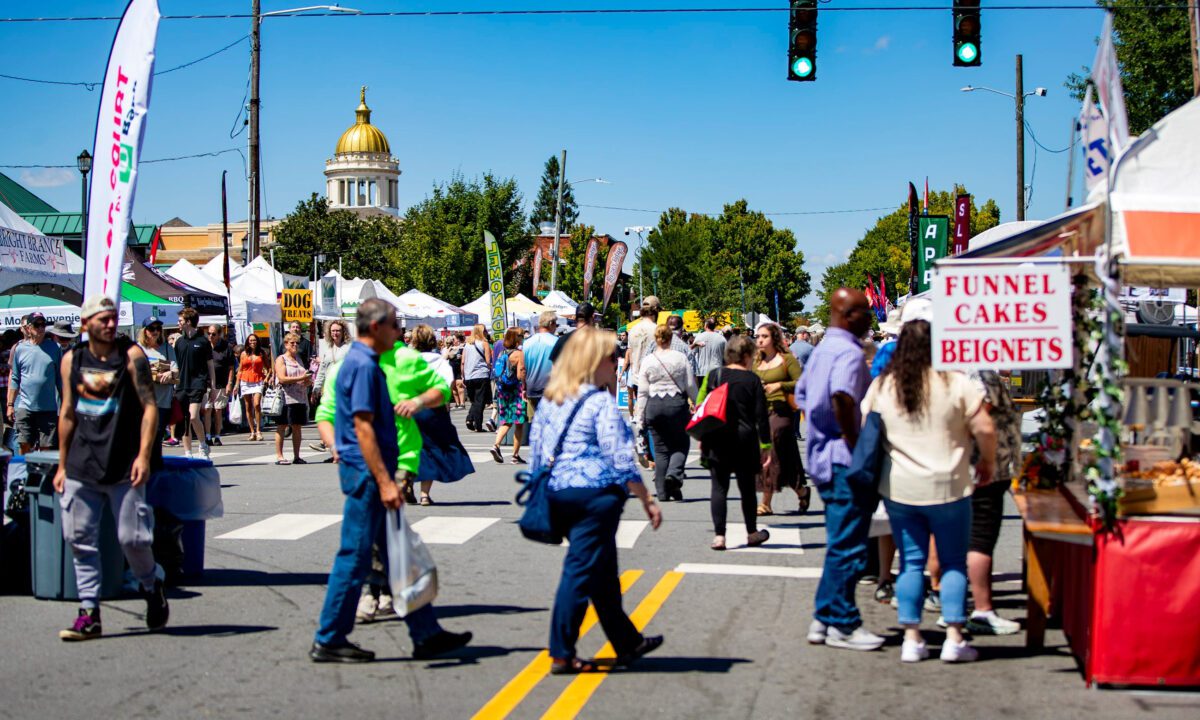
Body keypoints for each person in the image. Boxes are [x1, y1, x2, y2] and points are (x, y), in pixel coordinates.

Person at [311, 298, 471, 663]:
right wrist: (384, 481)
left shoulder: (358, 362)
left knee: (399, 556)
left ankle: (425, 632)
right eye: (395, 325)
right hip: (369, 473)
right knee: (354, 556)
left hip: (368, 470)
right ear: (376, 327)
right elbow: (363, 427)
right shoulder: (364, 366)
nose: (401, 332)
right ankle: (330, 636)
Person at [862, 298, 997, 663]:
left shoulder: (886, 385)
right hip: (951, 485)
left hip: (901, 488)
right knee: (952, 562)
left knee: (910, 562)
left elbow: (865, 428)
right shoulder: (956, 382)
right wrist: (986, 461)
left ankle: (912, 636)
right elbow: (985, 426)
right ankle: (954, 635)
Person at [529, 326, 664, 674]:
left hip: (559, 491)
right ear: (593, 362)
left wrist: (538, 490)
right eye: (611, 356)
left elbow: (537, 452)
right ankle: (561, 651)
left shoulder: (550, 400)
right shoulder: (600, 401)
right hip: (596, 496)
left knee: (601, 571)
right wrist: (646, 498)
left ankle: (627, 641)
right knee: (579, 570)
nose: (616, 362)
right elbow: (619, 456)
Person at [54, 295, 168, 641]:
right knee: (79, 539)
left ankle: (151, 585)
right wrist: (61, 464)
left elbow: (149, 408)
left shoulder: (131, 356)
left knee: (132, 539)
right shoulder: (72, 359)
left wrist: (143, 456)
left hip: (123, 463)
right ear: (86, 324)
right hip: (81, 464)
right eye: (102, 319)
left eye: (113, 318)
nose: (110, 324)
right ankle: (89, 613)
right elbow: (68, 413)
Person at [795, 288, 884, 652]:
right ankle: (843, 622)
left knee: (840, 543)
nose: (869, 318)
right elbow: (843, 398)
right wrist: (855, 444)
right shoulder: (847, 351)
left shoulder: (821, 351)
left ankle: (825, 616)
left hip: (821, 454)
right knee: (849, 546)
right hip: (844, 458)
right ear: (847, 314)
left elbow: (801, 395)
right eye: (864, 312)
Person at [699, 335, 771, 550]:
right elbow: (761, 416)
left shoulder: (714, 375)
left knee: (719, 488)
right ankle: (751, 532)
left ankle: (719, 536)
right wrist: (766, 446)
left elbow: (702, 405)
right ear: (747, 356)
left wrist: (703, 437)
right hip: (745, 440)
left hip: (717, 436)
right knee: (747, 489)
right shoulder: (753, 380)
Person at [964, 369, 1022, 636]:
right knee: (981, 539)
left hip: (978, 468)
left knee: (973, 538)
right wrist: (986, 460)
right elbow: (981, 416)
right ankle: (982, 609)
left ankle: (960, 605)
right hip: (986, 470)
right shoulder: (979, 373)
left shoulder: (962, 371)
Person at [409, 325, 473, 505]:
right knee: (432, 449)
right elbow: (447, 386)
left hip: (411, 409)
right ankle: (424, 494)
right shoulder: (440, 361)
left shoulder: (407, 362)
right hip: (433, 410)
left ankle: (407, 480)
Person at [635, 324, 697, 501]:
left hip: (654, 405)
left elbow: (643, 392)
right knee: (680, 444)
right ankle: (674, 475)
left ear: (656, 339)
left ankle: (662, 492)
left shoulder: (648, 360)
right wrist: (697, 403)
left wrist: (640, 419)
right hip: (675, 404)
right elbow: (690, 385)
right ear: (671, 338)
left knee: (661, 450)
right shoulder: (680, 357)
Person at [753, 322, 808, 516]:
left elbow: (801, 382)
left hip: (782, 412)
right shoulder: (756, 361)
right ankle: (801, 489)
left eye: (764, 336)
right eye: (758, 336)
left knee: (771, 451)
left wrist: (780, 386)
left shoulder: (786, 360)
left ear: (774, 338)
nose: (760, 339)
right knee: (783, 457)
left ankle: (765, 502)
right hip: (760, 412)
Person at [8, 311, 63, 454]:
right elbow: (14, 378)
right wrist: (10, 405)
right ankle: (24, 475)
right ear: (29, 328)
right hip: (25, 407)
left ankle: (43, 476)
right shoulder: (20, 349)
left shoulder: (54, 348)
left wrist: (65, 404)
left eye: (43, 325)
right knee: (24, 445)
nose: (41, 328)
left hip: (48, 408)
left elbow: (60, 378)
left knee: (46, 448)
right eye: (37, 325)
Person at [173, 308, 215, 460]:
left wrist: (213, 387)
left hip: (198, 383)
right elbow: (176, 364)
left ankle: (203, 445)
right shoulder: (179, 342)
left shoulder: (203, 341)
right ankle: (188, 453)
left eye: (181, 321)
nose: (178, 323)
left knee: (192, 416)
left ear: (188, 322)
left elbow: (210, 365)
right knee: (184, 419)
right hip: (182, 384)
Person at [309, 320, 351, 454]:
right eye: (333, 331)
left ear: (343, 332)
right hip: (329, 389)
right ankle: (328, 446)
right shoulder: (328, 349)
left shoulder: (349, 348)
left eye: (338, 330)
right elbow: (321, 370)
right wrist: (316, 388)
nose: (335, 333)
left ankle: (328, 444)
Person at [137, 318, 177, 451]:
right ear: (144, 331)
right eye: (151, 329)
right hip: (144, 400)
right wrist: (155, 375)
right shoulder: (138, 349)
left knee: (158, 434)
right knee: (145, 436)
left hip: (163, 400)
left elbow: (176, 370)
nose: (155, 332)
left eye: (158, 329)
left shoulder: (167, 348)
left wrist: (170, 373)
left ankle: (154, 464)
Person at [489, 327, 528, 464]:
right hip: (515, 391)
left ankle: (496, 445)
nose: (522, 337)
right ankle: (515, 455)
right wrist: (525, 387)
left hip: (503, 391)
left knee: (506, 420)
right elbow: (520, 374)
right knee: (519, 422)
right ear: (515, 337)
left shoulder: (502, 353)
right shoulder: (519, 354)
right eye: (521, 335)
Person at [274, 332, 312, 465]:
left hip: (300, 397)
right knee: (282, 425)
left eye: (297, 343)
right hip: (286, 397)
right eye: (292, 343)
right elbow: (282, 378)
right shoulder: (281, 359)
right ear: (286, 345)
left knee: (297, 426)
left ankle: (297, 456)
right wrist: (301, 378)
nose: (295, 345)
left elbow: (304, 378)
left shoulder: (299, 359)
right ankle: (279, 456)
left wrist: (308, 381)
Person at [522, 311, 559, 416]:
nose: (556, 327)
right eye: (556, 324)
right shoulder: (556, 342)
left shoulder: (527, 343)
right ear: (551, 323)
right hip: (551, 390)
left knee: (534, 426)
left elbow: (523, 368)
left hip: (531, 389)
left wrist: (524, 388)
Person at [237, 334, 271, 441]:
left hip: (258, 380)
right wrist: (236, 384)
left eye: (254, 340)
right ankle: (252, 431)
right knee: (248, 406)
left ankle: (258, 430)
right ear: (248, 342)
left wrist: (267, 378)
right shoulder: (243, 354)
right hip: (245, 380)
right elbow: (240, 369)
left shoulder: (262, 353)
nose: (253, 342)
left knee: (256, 404)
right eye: (251, 340)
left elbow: (269, 368)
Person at [204, 326, 233, 446]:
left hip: (221, 382)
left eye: (213, 334)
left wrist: (229, 383)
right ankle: (207, 436)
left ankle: (217, 435)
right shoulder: (204, 345)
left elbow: (231, 367)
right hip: (207, 382)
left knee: (218, 410)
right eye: (209, 334)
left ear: (219, 334)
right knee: (207, 409)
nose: (211, 336)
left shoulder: (226, 347)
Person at [461, 324, 493, 432]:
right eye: (485, 331)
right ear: (481, 332)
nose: (486, 333)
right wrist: (491, 367)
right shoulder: (484, 343)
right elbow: (488, 361)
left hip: (469, 375)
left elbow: (463, 362)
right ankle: (477, 425)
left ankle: (470, 419)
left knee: (474, 400)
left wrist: (463, 376)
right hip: (481, 374)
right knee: (480, 401)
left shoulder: (467, 345)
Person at [692, 317, 727, 386]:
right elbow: (726, 356)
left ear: (706, 325)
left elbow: (693, 353)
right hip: (717, 371)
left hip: (702, 371)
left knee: (703, 395)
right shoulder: (722, 339)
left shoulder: (699, 337)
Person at [445, 333, 466, 409]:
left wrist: (462, 357)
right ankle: (457, 403)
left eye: (453, 339)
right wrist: (448, 348)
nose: (452, 340)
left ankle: (462, 403)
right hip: (451, 369)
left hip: (459, 369)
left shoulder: (462, 347)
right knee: (453, 387)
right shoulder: (449, 349)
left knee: (459, 385)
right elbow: (445, 358)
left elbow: (465, 358)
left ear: (458, 340)